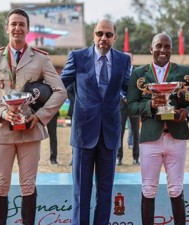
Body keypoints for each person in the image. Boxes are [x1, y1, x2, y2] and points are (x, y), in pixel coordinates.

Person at [0, 8, 67, 225]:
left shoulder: (41, 59)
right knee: (1, 185)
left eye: (22, 24)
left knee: (28, 185)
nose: (17, 28)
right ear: (7, 28)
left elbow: (60, 91)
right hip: (3, 131)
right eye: (14, 24)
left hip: (30, 130)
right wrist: (2, 113)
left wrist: (40, 116)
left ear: (27, 29)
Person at [127, 33, 189, 225]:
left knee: (176, 188)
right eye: (159, 46)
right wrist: (150, 106)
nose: (162, 50)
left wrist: (188, 112)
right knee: (148, 188)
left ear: (171, 50)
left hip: (176, 137)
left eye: (167, 47)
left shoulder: (183, 71)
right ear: (151, 49)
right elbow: (131, 105)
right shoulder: (138, 74)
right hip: (150, 138)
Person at [60, 19, 131, 225]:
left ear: (114, 38)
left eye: (108, 35)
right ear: (93, 35)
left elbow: (128, 89)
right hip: (83, 133)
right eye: (100, 33)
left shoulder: (123, 60)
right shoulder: (77, 57)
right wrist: (38, 97)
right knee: (81, 192)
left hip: (110, 133)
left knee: (105, 192)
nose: (103, 38)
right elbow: (60, 85)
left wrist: (150, 99)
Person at [117, 52, 140, 166]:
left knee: (136, 133)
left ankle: (136, 158)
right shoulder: (118, 70)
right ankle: (118, 157)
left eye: (129, 58)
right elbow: (116, 87)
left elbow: (140, 88)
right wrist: (124, 96)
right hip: (121, 105)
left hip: (134, 105)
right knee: (119, 133)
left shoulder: (138, 72)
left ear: (132, 59)